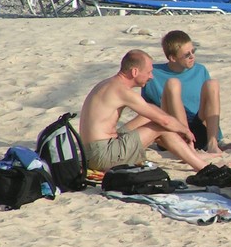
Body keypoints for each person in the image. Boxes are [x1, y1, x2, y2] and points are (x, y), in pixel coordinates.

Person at [79, 49, 212, 173]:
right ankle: (203, 167)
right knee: (159, 127)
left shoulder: (108, 83)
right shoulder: (122, 91)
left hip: (90, 152)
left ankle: (189, 154)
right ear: (135, 72)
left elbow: (151, 110)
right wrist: (186, 131)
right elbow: (164, 121)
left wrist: (177, 126)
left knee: (149, 117)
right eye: (148, 72)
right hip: (103, 155)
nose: (151, 77)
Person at [141, 30, 231, 156]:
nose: (192, 57)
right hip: (173, 130)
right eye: (187, 55)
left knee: (212, 84)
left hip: (198, 127)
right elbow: (147, 112)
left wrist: (218, 138)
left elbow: (209, 106)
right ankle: (186, 143)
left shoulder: (200, 70)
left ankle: (213, 143)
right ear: (172, 58)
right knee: (173, 83)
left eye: (193, 52)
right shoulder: (153, 73)